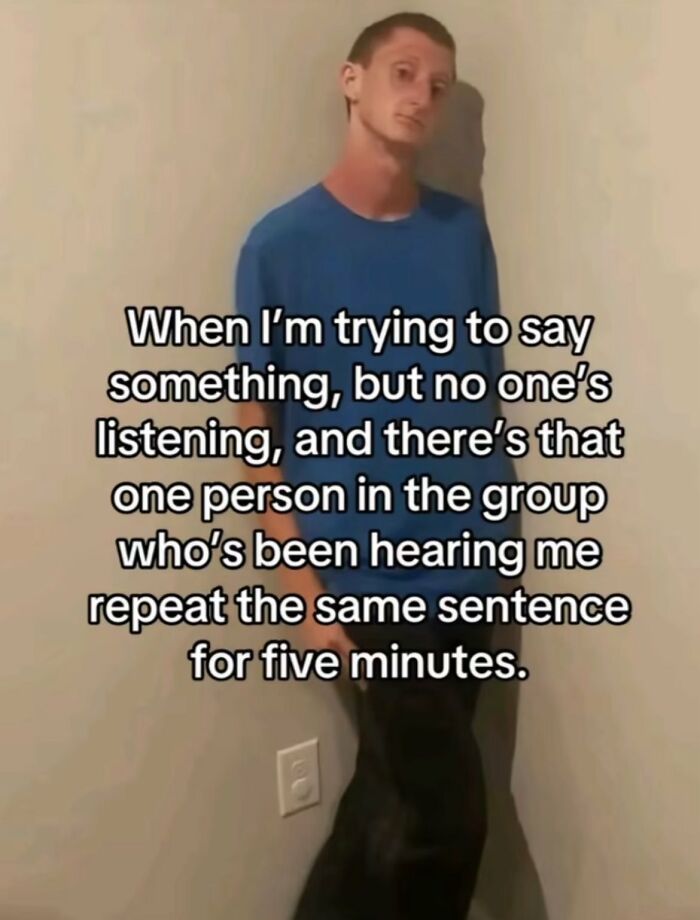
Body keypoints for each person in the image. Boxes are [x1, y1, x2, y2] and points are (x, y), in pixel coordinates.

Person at [234, 12, 519, 919]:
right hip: (369, 578)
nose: (421, 97)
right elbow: (257, 436)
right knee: (450, 816)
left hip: (472, 570)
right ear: (350, 81)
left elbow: (479, 393)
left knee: (389, 799)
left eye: (439, 86)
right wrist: (301, 587)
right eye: (403, 72)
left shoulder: (461, 233)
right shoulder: (279, 245)